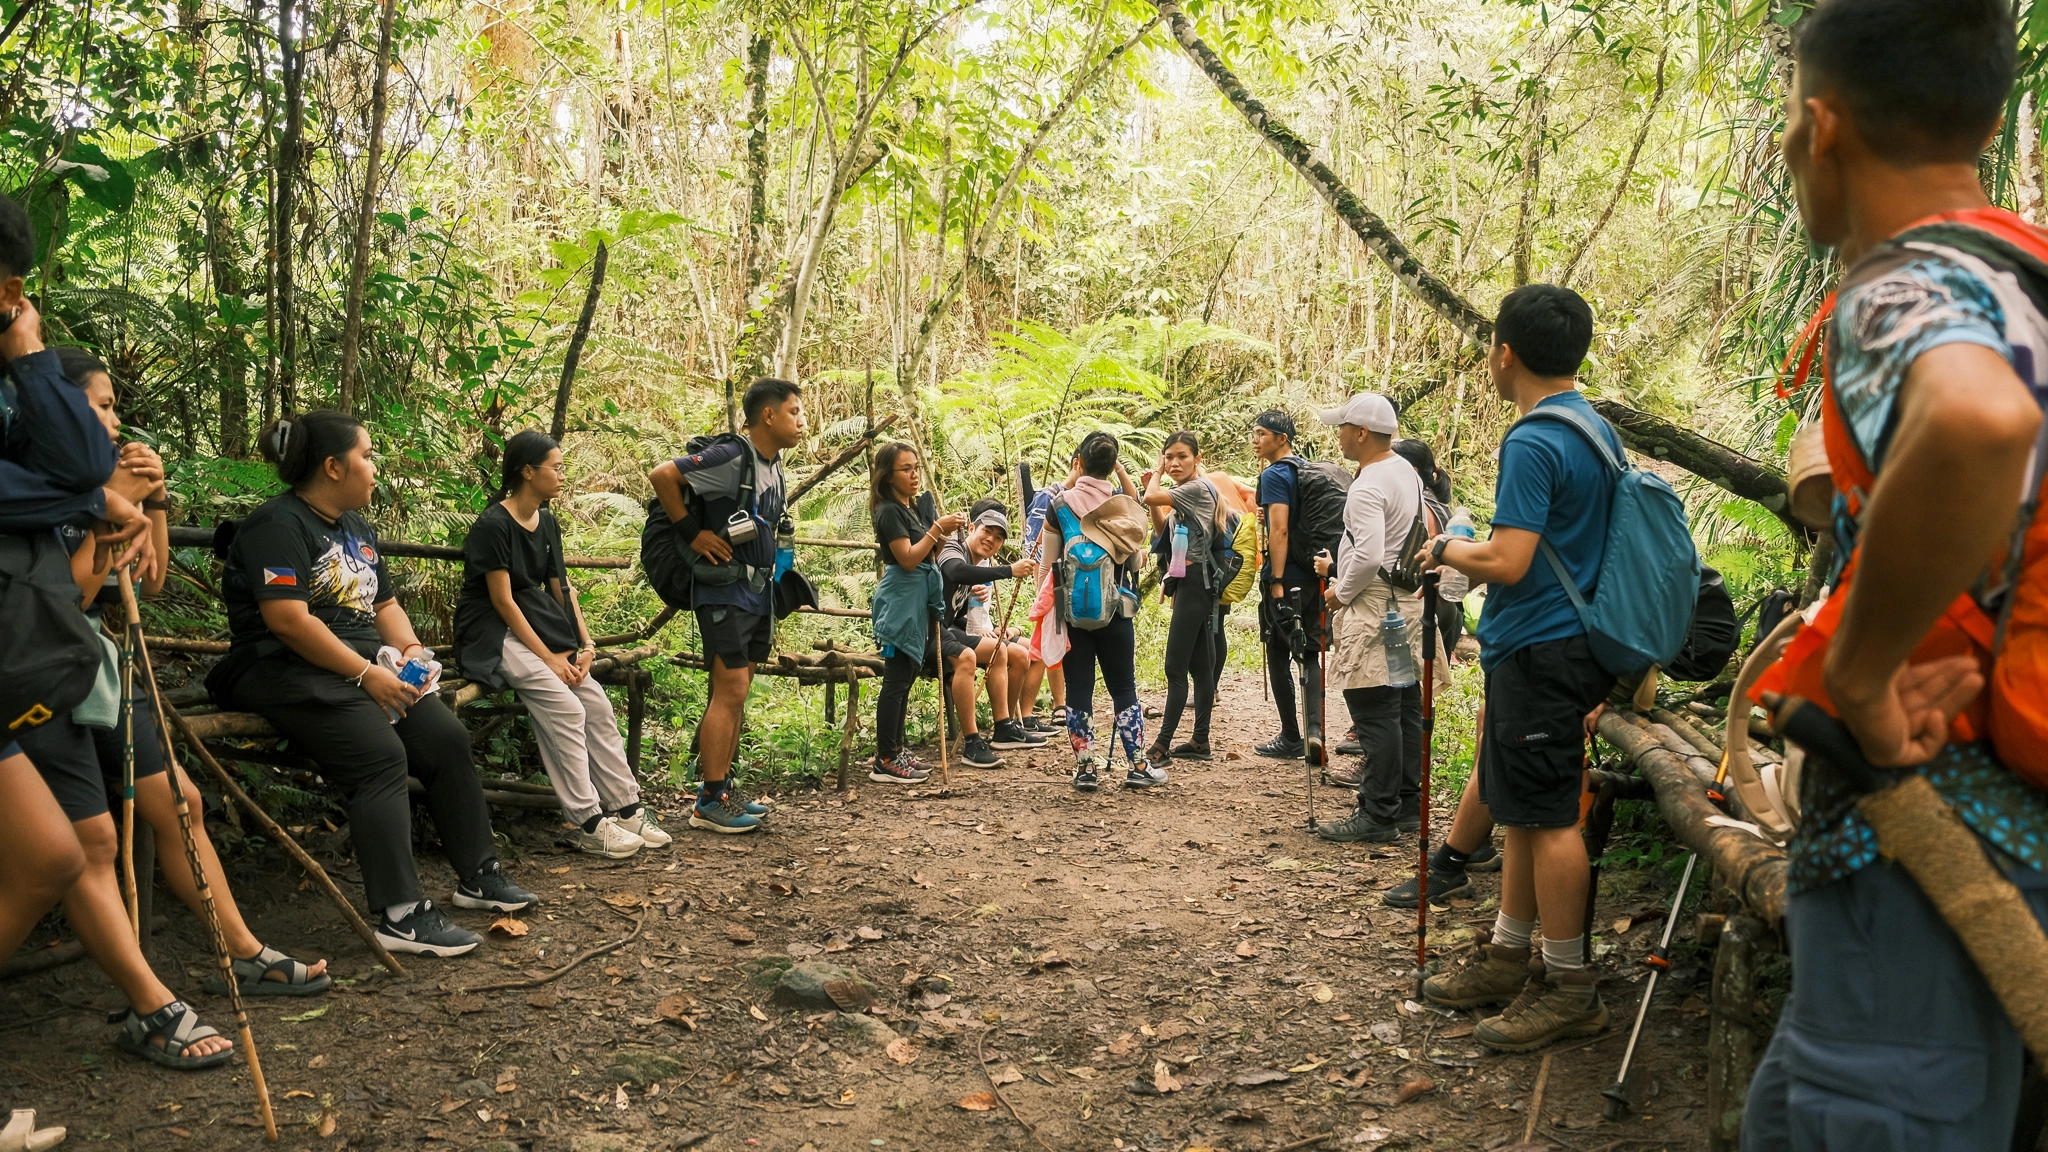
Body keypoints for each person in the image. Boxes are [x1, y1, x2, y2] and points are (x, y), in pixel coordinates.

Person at [1742, 3, 2048, 1147]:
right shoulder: (2030, 269)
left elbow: (1977, 418)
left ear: (1821, 127)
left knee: (1872, 1112)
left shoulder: (1897, 287)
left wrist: (1862, 673)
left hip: (1937, 814)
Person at [55, 348, 330, 998]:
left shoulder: (100, 485)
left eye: (116, 405)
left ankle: (243, 952)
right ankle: (142, 993)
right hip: (51, 683)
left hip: (104, 677)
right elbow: (61, 600)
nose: (117, 420)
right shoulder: (34, 491)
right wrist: (111, 507)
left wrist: (152, 503)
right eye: (103, 405)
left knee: (182, 805)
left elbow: (146, 583)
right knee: (87, 843)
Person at [210, 410, 536, 958]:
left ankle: (479, 875)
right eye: (367, 456)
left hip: (360, 662)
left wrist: (408, 650)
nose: (374, 469)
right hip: (281, 665)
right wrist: (365, 674)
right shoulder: (278, 524)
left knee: (446, 740)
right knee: (380, 757)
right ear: (334, 467)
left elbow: (384, 603)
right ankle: (401, 914)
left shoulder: (355, 527)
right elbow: (288, 620)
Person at [1413, 283, 1617, 1051]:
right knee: (1525, 810)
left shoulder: (1534, 438)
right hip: (1552, 645)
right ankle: (1507, 954)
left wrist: (1446, 548)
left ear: (1504, 352)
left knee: (1552, 816)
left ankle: (1569, 987)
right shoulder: (1594, 427)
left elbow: (1510, 557)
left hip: (1545, 646)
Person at [459, 431, 668, 858]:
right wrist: (549, 658)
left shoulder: (547, 520)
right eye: (555, 467)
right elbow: (501, 601)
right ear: (527, 472)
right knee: (565, 706)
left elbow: (562, 590)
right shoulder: (493, 525)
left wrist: (584, 645)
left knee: (594, 703)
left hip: (536, 626)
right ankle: (588, 821)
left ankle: (626, 808)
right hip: (490, 631)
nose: (562, 475)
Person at [646, 377, 805, 831]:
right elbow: (663, 475)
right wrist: (692, 534)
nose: (801, 421)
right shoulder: (733, 454)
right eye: (794, 412)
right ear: (769, 415)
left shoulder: (774, 467)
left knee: (738, 690)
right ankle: (709, 802)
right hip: (723, 590)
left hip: (757, 591)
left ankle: (723, 788)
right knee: (729, 688)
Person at [1310, 393, 1426, 844]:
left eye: (1342, 427)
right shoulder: (1406, 473)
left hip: (1374, 604)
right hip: (1402, 601)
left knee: (1375, 709)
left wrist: (1340, 592)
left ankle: (1377, 813)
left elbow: (1369, 552)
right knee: (1404, 707)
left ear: (1360, 433)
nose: (1338, 434)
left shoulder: (1367, 484)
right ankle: (1406, 805)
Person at [1030, 432, 1152, 791]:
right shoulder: (1120, 504)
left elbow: (1047, 565)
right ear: (1113, 465)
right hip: (1115, 613)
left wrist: (1045, 607)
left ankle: (1085, 770)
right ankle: (1138, 766)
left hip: (1072, 614)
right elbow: (1136, 560)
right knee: (1124, 687)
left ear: (1078, 462)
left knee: (1079, 690)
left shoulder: (1060, 505)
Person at [868, 442, 958, 783]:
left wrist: (938, 528)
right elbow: (907, 557)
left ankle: (896, 748)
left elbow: (931, 553)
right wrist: (936, 530)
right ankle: (885, 757)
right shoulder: (888, 511)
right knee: (896, 678)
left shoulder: (912, 508)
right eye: (906, 469)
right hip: (900, 603)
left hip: (917, 602)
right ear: (888, 477)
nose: (914, 474)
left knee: (906, 677)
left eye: (916, 467)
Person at [1138, 432, 1225, 767]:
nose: (1174, 463)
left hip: (1194, 585)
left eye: (1181, 457)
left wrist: (1156, 475)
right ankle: (1200, 741)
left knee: (1175, 668)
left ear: (1197, 460)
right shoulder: (1183, 496)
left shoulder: (1197, 489)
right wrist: (1157, 492)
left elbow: (1150, 497)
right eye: (1168, 457)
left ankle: (1161, 746)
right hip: (1193, 584)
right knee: (1200, 667)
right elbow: (1162, 531)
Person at [936, 505, 1041, 764]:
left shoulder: (975, 563)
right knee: (973, 656)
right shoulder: (953, 548)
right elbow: (953, 571)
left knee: (1000, 649)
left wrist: (989, 627)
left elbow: (951, 610)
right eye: (986, 531)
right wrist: (1009, 571)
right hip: (927, 631)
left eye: (998, 537)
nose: (990, 540)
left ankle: (1004, 725)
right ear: (971, 528)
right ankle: (973, 741)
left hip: (945, 628)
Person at [1251, 410, 1319, 760]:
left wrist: (1276, 580)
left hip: (1287, 574)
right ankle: (1315, 731)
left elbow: (1280, 530)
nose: (1256, 440)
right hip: (1314, 573)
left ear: (1282, 438)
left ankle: (1291, 736)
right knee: (1309, 651)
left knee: (1278, 652)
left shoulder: (1275, 474)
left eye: (1262, 433)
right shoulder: (1306, 469)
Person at [1391, 438, 1470, 664]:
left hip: (1425, 603)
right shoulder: (1440, 505)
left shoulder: (1416, 506)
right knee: (1428, 687)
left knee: (1412, 684)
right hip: (1447, 605)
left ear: (1412, 471)